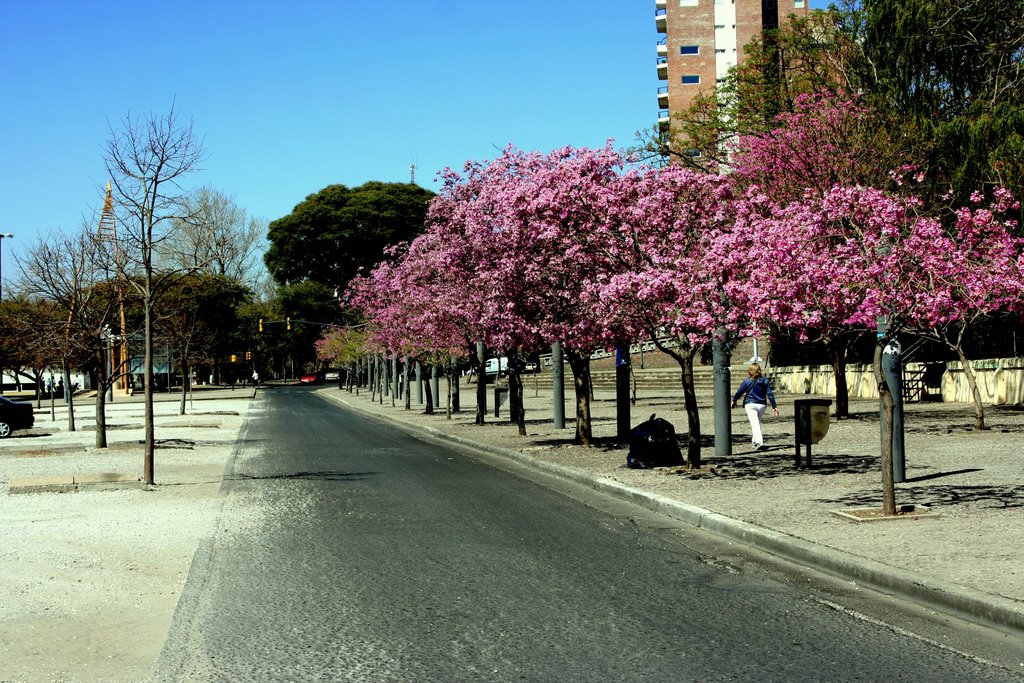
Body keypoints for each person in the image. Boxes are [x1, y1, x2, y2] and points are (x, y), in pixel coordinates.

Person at [731, 363, 779, 450]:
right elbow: (770, 394)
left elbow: (739, 392)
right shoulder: (765, 381)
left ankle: (759, 442)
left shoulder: (747, 381)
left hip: (750, 404)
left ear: (750, 371)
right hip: (762, 404)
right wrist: (774, 406)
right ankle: (754, 441)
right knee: (756, 423)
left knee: (755, 423)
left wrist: (734, 400)